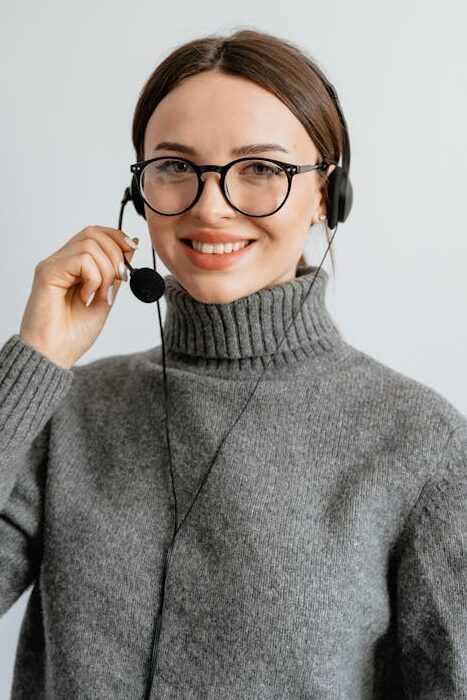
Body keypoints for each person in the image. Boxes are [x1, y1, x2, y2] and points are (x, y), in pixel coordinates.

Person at [0, 27, 466, 700]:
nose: (209, 205)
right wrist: (34, 361)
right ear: (138, 194)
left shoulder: (420, 441)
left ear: (325, 195)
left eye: (260, 169)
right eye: (174, 167)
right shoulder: (64, 411)